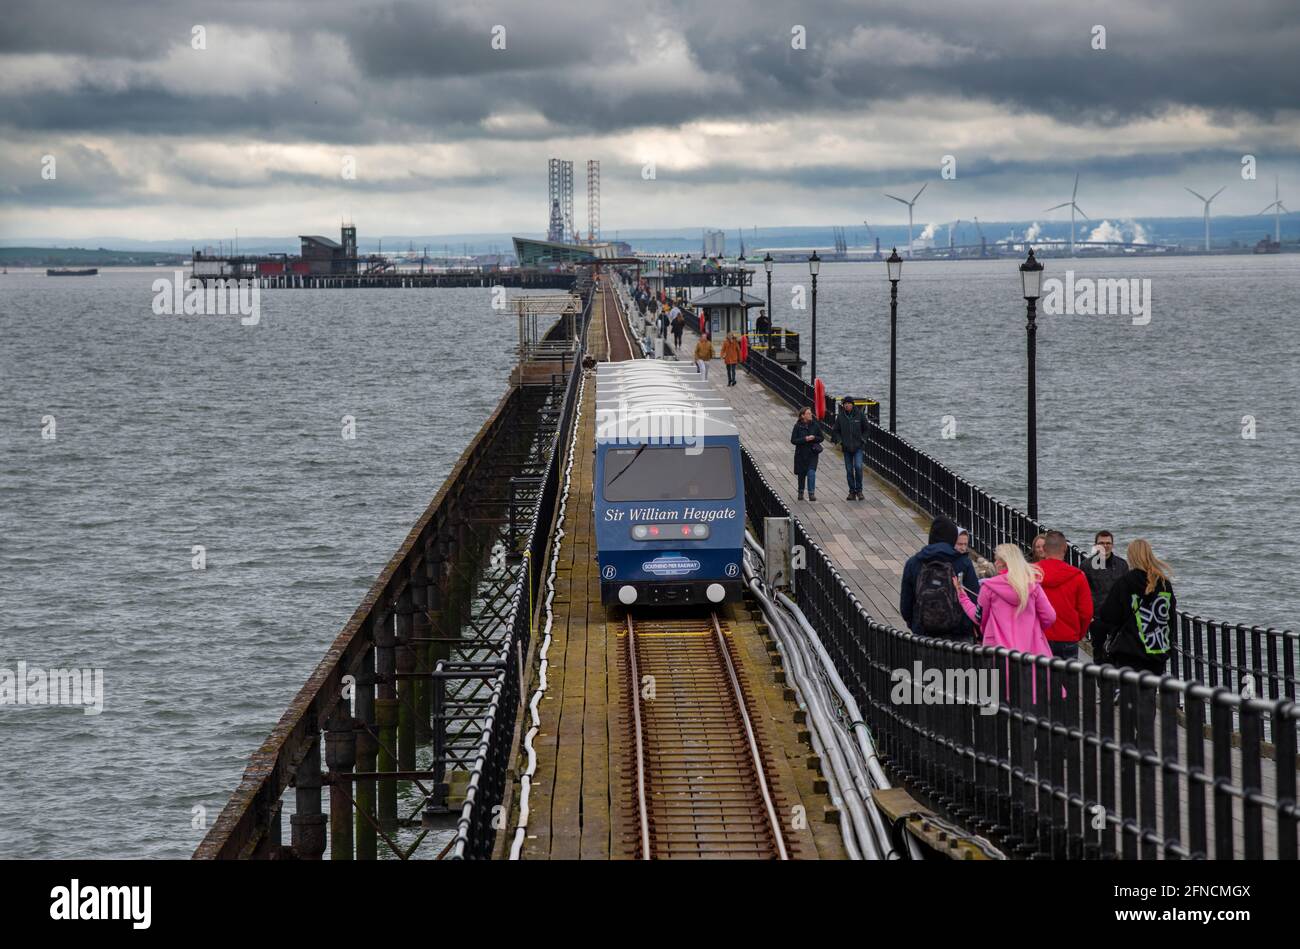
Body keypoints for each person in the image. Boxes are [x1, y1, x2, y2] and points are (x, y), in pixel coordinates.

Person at [1090, 538, 1176, 676]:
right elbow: (1170, 617)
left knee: (1130, 692)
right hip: (1157, 648)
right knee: (1150, 690)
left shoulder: (1125, 582)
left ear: (1131, 557)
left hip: (1130, 650)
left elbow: (1108, 614)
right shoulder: (1164, 583)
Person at [900, 516, 981, 638]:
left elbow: (906, 604)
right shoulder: (963, 563)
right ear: (952, 538)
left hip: (923, 633)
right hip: (959, 634)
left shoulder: (913, 563)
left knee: (921, 658)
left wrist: (915, 625)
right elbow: (975, 598)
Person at [1036, 530, 1094, 661]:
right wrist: (1079, 634)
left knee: (1042, 679)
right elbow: (1086, 612)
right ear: (1065, 548)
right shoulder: (1077, 576)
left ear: (1044, 549)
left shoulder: (1031, 572)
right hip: (1068, 636)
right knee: (1070, 680)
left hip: (1039, 636)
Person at [1081, 530, 1128, 662]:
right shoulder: (1087, 566)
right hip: (1097, 618)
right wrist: (1088, 616)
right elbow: (1083, 592)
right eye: (1101, 543)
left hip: (1117, 619)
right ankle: (1101, 682)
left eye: (1108, 543)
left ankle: (1116, 681)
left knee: (1119, 653)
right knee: (1099, 653)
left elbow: (1126, 592)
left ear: (1112, 545)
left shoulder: (1122, 565)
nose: (1105, 546)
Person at [829, 397, 868, 500]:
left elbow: (867, 429)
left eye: (848, 404)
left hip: (858, 447)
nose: (846, 405)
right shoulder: (841, 417)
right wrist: (840, 441)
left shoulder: (860, 415)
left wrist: (863, 439)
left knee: (858, 467)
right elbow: (836, 430)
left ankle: (859, 491)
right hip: (846, 448)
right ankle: (852, 491)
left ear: (852, 404)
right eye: (844, 404)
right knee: (849, 470)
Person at [790, 406, 823, 501]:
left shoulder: (815, 425)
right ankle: (800, 491)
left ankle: (811, 493)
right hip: (801, 454)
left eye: (810, 413)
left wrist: (814, 438)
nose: (810, 414)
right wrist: (805, 439)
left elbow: (821, 438)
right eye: (808, 413)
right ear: (802, 416)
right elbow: (793, 440)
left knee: (811, 473)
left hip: (812, 454)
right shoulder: (797, 426)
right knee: (801, 474)